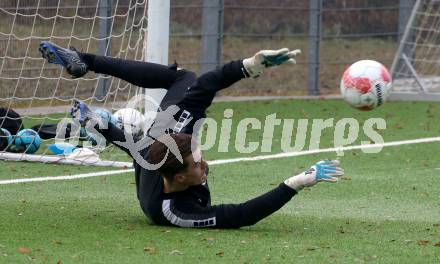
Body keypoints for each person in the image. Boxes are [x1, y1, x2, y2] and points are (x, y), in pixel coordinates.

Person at [39, 41, 344, 228]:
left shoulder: (170, 138)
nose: (205, 163)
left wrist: (251, 65)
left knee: (188, 79)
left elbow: (206, 86)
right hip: (149, 149)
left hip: (157, 136)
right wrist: (297, 182)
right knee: (182, 80)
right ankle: (97, 107)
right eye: (197, 165)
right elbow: (240, 216)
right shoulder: (173, 211)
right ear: (180, 178)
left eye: (199, 156)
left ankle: (87, 64)